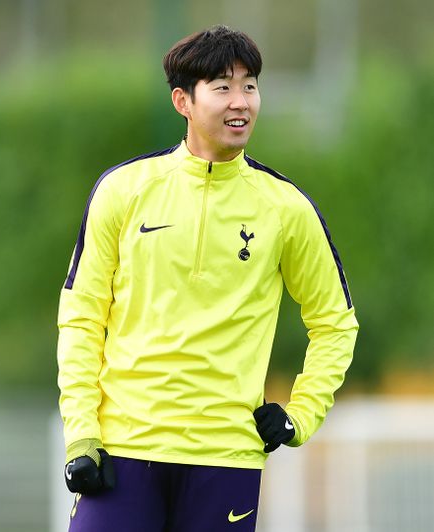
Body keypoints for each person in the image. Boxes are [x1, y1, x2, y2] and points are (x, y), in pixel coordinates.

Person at [56, 25, 357, 532]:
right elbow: (82, 317)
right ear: (183, 101)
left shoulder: (286, 208)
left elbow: (335, 324)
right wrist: (82, 433)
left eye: (250, 85)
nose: (240, 101)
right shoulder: (123, 190)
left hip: (226, 458)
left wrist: (301, 414)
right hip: (122, 451)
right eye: (222, 87)